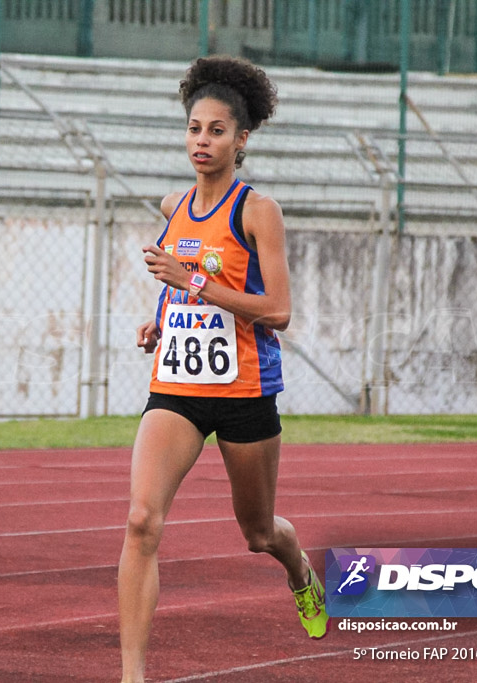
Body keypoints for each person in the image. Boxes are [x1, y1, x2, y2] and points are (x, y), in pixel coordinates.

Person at [118, 56, 328, 683]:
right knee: (140, 519)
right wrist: (163, 314)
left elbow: (279, 311)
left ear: (242, 139)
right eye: (193, 129)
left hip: (244, 392)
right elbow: (176, 274)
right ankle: (132, 676)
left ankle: (300, 572)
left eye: (215, 131)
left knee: (259, 533)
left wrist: (194, 284)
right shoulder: (173, 203)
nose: (200, 142)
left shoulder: (258, 210)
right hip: (176, 390)